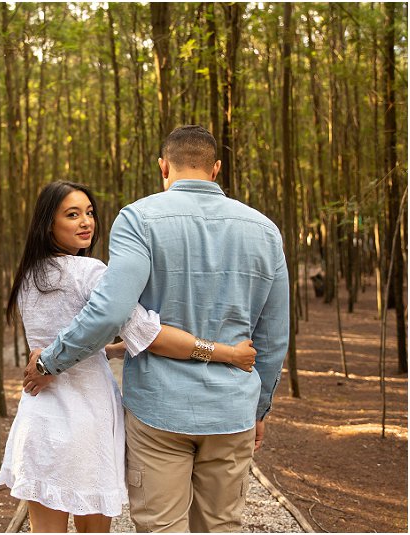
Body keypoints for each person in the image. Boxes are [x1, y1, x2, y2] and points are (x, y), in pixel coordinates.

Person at [24, 126, 289, 533]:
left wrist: (50, 362)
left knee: (160, 527)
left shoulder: (138, 218)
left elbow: (111, 312)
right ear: (216, 169)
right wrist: (258, 409)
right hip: (232, 410)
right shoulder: (265, 231)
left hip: (159, 412)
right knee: (221, 525)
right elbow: (273, 337)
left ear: (163, 166)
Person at [0, 180, 258, 533]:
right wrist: (226, 353)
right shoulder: (91, 273)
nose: (86, 222)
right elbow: (151, 336)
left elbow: (67, 340)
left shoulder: (28, 276)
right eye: (72, 215)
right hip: (85, 418)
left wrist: (113, 349)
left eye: (89, 213)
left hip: (39, 413)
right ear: (48, 224)